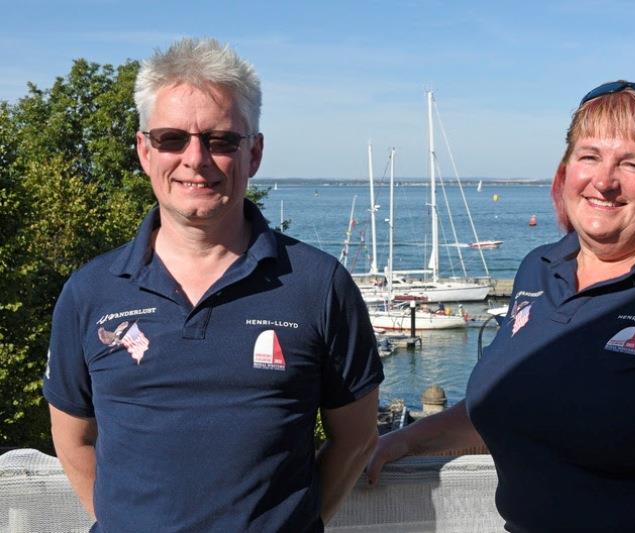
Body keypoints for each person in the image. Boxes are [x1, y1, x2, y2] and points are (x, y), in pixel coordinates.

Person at [367, 81, 635, 532]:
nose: (605, 182)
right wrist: (403, 441)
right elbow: (509, 405)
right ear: (566, 169)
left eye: (631, 164)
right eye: (589, 156)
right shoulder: (539, 270)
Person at [43, 38, 383, 532]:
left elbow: (356, 438)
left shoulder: (318, 284)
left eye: (221, 140)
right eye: (171, 139)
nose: (195, 159)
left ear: (255, 153)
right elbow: (72, 440)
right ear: (144, 150)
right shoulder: (91, 291)